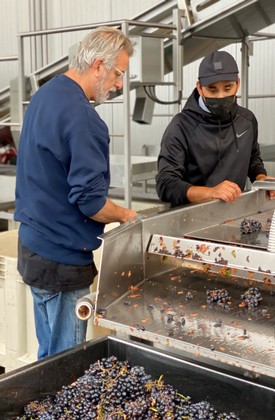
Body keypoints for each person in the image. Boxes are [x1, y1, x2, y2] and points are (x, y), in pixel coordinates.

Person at [14, 26, 138, 359]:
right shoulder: (83, 118)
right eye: (117, 73)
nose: (118, 84)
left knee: (47, 358)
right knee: (66, 369)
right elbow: (91, 202)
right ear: (98, 64)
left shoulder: (45, 94)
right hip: (62, 262)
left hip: (32, 249)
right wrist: (127, 216)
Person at [156, 50, 274, 207]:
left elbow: (252, 158)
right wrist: (210, 193)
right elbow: (166, 185)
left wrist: (261, 178)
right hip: (189, 220)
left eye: (227, 88)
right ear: (199, 88)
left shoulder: (247, 120)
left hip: (234, 214)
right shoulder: (181, 126)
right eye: (212, 89)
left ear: (238, 83)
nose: (220, 96)